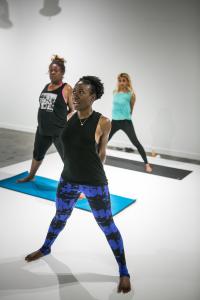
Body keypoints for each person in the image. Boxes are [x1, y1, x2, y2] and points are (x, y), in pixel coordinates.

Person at [25, 76, 131, 294]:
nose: (75, 95)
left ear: (92, 97)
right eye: (75, 92)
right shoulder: (69, 115)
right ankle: (45, 248)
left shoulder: (104, 122)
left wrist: (90, 170)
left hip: (94, 182)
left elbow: (101, 154)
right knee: (60, 217)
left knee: (107, 225)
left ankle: (124, 271)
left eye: (81, 92)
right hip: (68, 180)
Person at [17, 55, 73, 183]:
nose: (52, 73)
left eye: (55, 71)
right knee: (37, 154)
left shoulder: (67, 88)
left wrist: (64, 120)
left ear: (62, 73)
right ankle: (31, 175)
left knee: (67, 159)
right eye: (51, 70)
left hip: (59, 131)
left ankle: (76, 187)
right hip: (42, 129)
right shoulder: (46, 86)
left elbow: (72, 109)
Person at [109, 73, 152, 173]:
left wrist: (126, 116)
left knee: (135, 142)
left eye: (124, 80)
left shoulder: (131, 94)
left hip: (126, 122)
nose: (121, 83)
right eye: (120, 80)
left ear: (127, 81)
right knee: (104, 140)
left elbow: (131, 109)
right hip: (114, 121)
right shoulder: (114, 92)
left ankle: (147, 164)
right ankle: (91, 159)